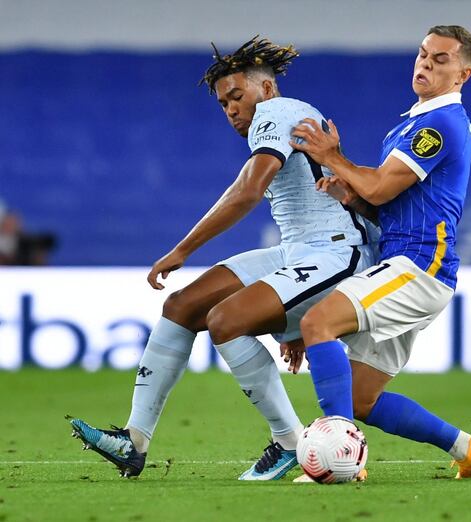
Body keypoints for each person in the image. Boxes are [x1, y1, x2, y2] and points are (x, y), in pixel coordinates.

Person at [68, 36, 377, 480]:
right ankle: (133, 441)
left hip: (335, 251)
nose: (231, 108)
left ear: (267, 90)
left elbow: (247, 191)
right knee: (181, 307)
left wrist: (183, 249)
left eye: (237, 96)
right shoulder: (277, 121)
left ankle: (289, 440)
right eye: (223, 103)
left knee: (225, 320)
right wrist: (290, 313)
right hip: (297, 252)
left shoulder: (277, 112)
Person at [289, 25, 471, 479]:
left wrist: (334, 157)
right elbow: (390, 204)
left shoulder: (440, 124)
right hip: (408, 265)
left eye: (440, 59)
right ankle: (470, 450)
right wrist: (353, 197)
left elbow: (385, 187)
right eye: (423, 54)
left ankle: (337, 454)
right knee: (362, 397)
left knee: (317, 323)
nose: (426, 64)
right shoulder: (413, 120)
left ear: (462, 74)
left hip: (420, 265)